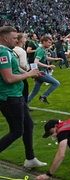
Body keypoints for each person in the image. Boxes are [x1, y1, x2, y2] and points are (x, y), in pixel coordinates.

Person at [0, 26, 47, 169]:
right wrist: (28, 75)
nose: (17, 40)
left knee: (28, 125)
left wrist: (32, 72)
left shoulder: (8, 52)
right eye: (14, 38)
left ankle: (30, 158)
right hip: (10, 97)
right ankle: (30, 158)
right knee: (17, 131)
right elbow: (8, 78)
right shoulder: (3, 52)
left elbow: (15, 69)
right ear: (5, 38)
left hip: (15, 95)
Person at [27, 35, 62, 104]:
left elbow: (46, 58)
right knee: (56, 83)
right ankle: (43, 96)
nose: (50, 44)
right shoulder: (41, 50)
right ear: (44, 42)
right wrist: (48, 66)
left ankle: (25, 104)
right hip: (40, 72)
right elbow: (36, 62)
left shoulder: (41, 49)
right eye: (49, 42)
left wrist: (55, 59)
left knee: (35, 91)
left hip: (38, 72)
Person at [13, 33, 30, 102]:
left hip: (12, 73)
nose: (25, 40)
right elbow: (23, 65)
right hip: (21, 73)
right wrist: (28, 69)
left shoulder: (11, 49)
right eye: (24, 38)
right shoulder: (21, 51)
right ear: (20, 40)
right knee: (24, 91)